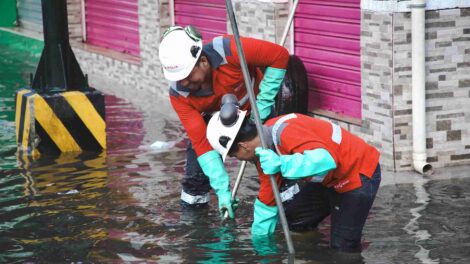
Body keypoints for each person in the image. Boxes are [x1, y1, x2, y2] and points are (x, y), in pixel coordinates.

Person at [205, 100, 381, 252]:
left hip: (357, 172)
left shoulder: (285, 132)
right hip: (329, 180)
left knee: (343, 247)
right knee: (295, 219)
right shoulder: (263, 150)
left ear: (243, 147)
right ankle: (309, 255)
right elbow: (268, 197)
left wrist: (283, 164)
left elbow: (326, 160)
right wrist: (260, 244)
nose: (237, 159)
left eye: (234, 156)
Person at [158, 25, 291, 217]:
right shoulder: (179, 94)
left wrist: (262, 105)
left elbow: (279, 56)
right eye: (177, 79)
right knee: (195, 176)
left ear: (203, 61)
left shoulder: (230, 50)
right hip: (212, 124)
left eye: (186, 77)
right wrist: (222, 191)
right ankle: (196, 221)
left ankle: (289, 208)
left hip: (254, 110)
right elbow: (202, 143)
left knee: (272, 162)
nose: (183, 84)